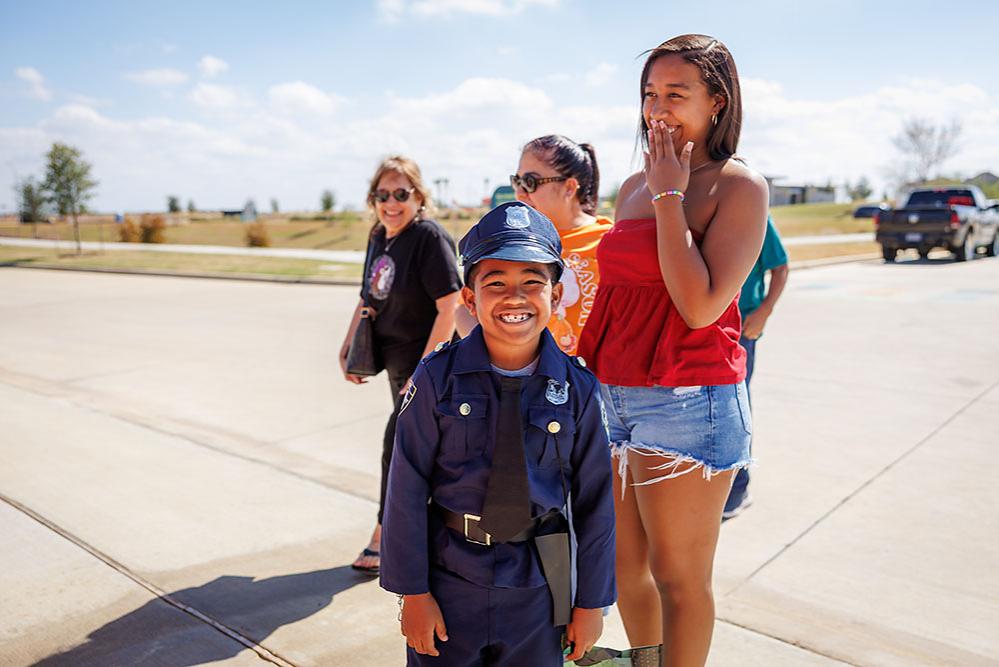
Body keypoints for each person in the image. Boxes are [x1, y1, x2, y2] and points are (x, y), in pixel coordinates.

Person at [576, 34, 768, 665]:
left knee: (679, 578)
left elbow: (700, 306)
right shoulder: (633, 185)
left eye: (676, 94)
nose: (657, 107)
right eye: (650, 94)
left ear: (717, 102)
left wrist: (670, 195)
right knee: (622, 568)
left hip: (689, 400)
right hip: (615, 397)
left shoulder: (738, 187)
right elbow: (617, 295)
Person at [380, 202, 616, 665]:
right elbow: (405, 488)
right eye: (495, 284)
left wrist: (591, 602)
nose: (515, 297)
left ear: (556, 293)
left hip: (541, 587)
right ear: (470, 300)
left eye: (533, 282)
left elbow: (596, 504)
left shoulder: (577, 389)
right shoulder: (436, 380)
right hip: (451, 579)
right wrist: (412, 593)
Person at [340, 155, 462, 575]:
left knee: (399, 448)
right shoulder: (380, 236)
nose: (392, 203)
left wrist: (424, 372)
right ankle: (427, 541)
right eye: (383, 195)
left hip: (425, 366)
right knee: (423, 454)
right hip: (394, 366)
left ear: (419, 197)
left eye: (401, 194)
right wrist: (349, 344)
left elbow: (451, 306)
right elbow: (366, 296)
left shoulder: (428, 238)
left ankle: (384, 538)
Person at [456, 136, 611, 356]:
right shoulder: (510, 241)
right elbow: (463, 308)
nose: (520, 193)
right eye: (516, 181)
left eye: (530, 182)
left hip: (589, 384)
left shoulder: (609, 240)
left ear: (569, 187)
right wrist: (494, 358)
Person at [723, 217, 789, 520]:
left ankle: (738, 489)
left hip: (742, 328)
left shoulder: (753, 212)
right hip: (704, 324)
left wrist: (764, 310)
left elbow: (780, 267)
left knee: (737, 407)